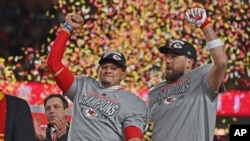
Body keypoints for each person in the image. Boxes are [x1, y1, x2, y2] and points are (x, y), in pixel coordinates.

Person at [46, 14, 148, 141]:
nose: (108, 70)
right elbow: (53, 63)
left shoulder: (134, 102)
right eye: (104, 66)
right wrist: (67, 27)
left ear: (123, 74)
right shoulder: (82, 85)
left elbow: (133, 136)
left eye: (114, 68)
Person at [148, 8, 228, 141]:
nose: (167, 60)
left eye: (174, 57)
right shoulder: (154, 92)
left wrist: (205, 25)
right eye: (167, 56)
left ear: (189, 63)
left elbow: (221, 62)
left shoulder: (202, 78)